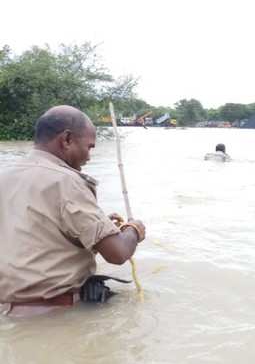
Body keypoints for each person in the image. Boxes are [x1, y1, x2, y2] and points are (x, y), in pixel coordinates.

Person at [0, 105, 147, 317]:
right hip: (56, 316)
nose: (89, 156)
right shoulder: (67, 181)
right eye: (89, 147)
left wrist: (99, 226)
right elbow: (118, 253)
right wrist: (134, 229)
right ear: (67, 139)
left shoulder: (6, 176)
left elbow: (36, 236)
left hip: (9, 312)